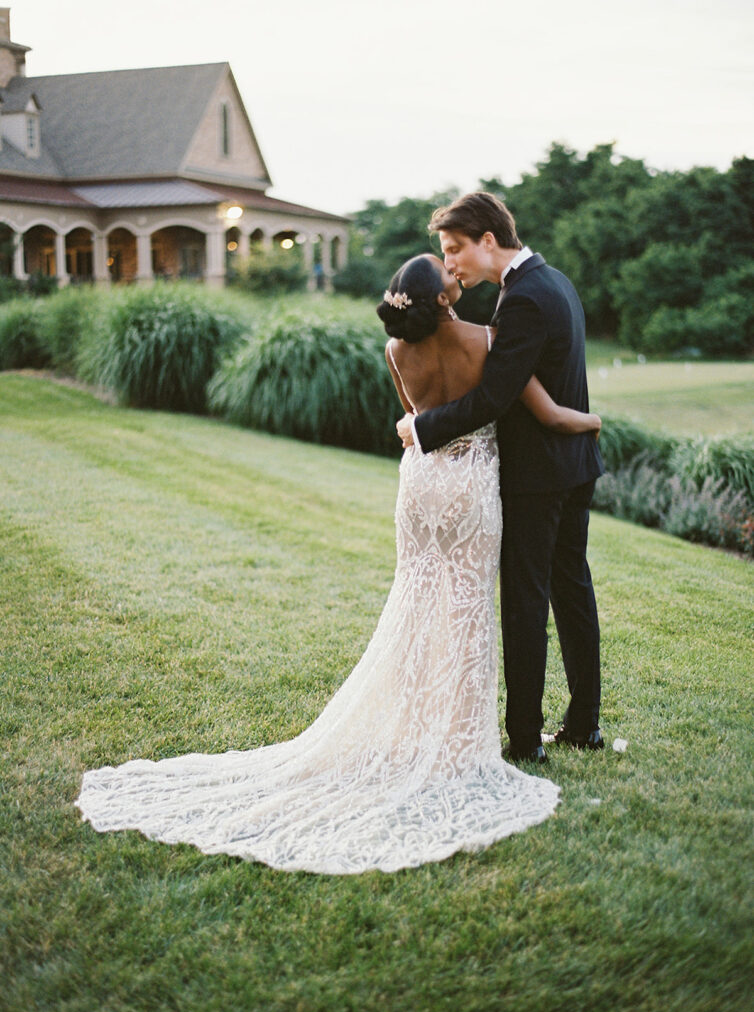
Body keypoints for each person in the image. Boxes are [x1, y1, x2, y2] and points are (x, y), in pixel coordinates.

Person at [75, 254, 599, 875]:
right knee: (466, 608)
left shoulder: (394, 352)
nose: (458, 275)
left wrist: (425, 427)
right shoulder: (488, 340)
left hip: (421, 485)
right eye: (449, 274)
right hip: (471, 487)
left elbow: (412, 418)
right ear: (441, 300)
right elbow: (518, 406)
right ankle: (458, 738)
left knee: (418, 599)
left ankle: (415, 727)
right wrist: (590, 420)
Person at [397, 193, 605, 765]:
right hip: (574, 465)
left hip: (539, 475)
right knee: (571, 589)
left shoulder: (523, 302)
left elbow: (492, 398)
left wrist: (422, 427)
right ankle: (584, 724)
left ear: (488, 240)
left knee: (526, 602)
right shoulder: (554, 281)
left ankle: (524, 740)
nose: (452, 263)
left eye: (455, 249)